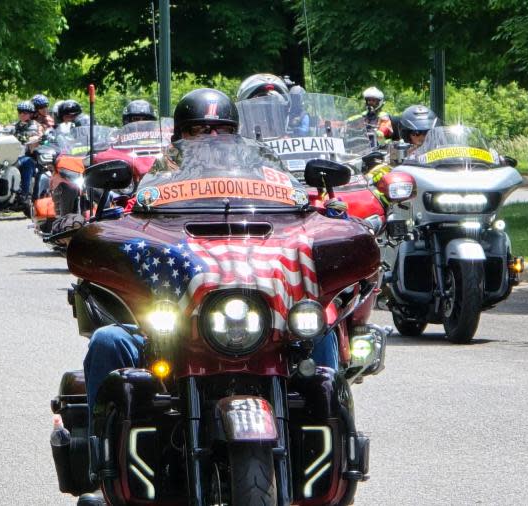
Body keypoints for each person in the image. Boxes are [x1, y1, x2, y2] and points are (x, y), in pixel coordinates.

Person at [82, 88, 341, 412]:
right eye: (200, 130)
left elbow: (302, 207)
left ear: (236, 136)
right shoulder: (161, 179)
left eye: (222, 131)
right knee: (109, 340)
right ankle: (101, 454)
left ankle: (335, 437)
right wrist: (112, 217)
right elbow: (130, 211)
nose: (212, 138)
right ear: (180, 136)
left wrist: (329, 210)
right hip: (173, 320)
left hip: (259, 312)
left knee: (321, 328)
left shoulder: (266, 178)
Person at [10, 100, 43, 207]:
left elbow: (42, 137)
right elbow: (2, 132)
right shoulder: (13, 126)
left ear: (31, 114)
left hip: (30, 156)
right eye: (20, 112)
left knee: (27, 162)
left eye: (25, 112)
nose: (22, 114)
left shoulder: (37, 126)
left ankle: (25, 194)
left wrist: (36, 138)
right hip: (12, 156)